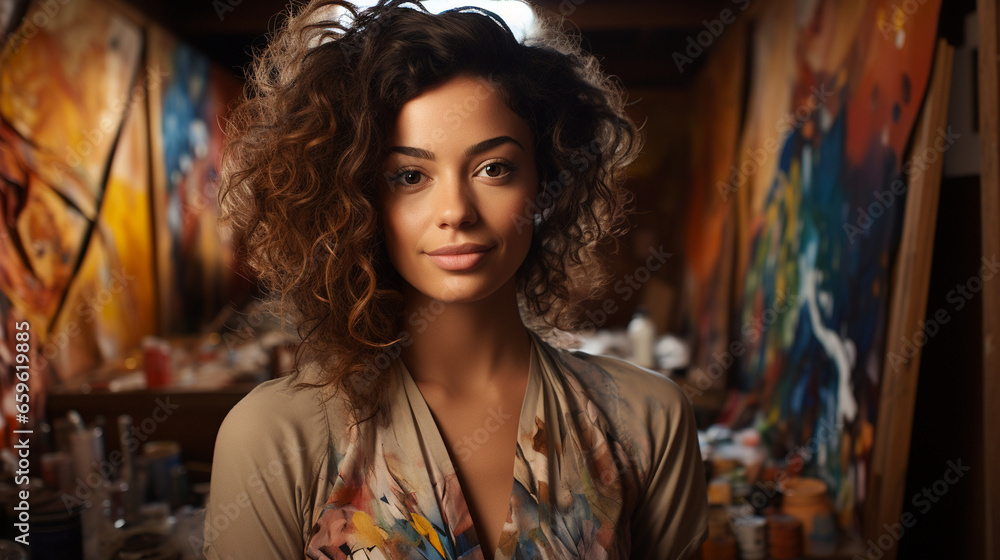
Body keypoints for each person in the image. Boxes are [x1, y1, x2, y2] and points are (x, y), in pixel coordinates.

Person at [203, 1, 708, 558]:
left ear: (546, 180)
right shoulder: (273, 438)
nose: (456, 211)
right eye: (410, 176)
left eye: (494, 168)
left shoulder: (648, 419)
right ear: (357, 202)